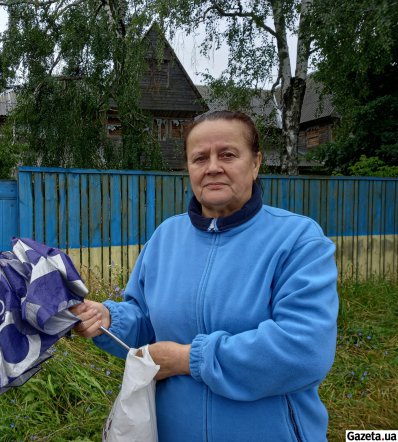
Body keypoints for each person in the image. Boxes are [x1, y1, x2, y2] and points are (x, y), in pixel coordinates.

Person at [70, 110, 339, 441]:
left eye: (227, 154)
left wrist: (189, 359)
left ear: (255, 163)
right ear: (189, 168)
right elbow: (144, 323)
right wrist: (109, 318)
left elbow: (303, 350)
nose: (213, 167)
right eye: (200, 158)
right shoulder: (165, 237)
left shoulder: (297, 239)